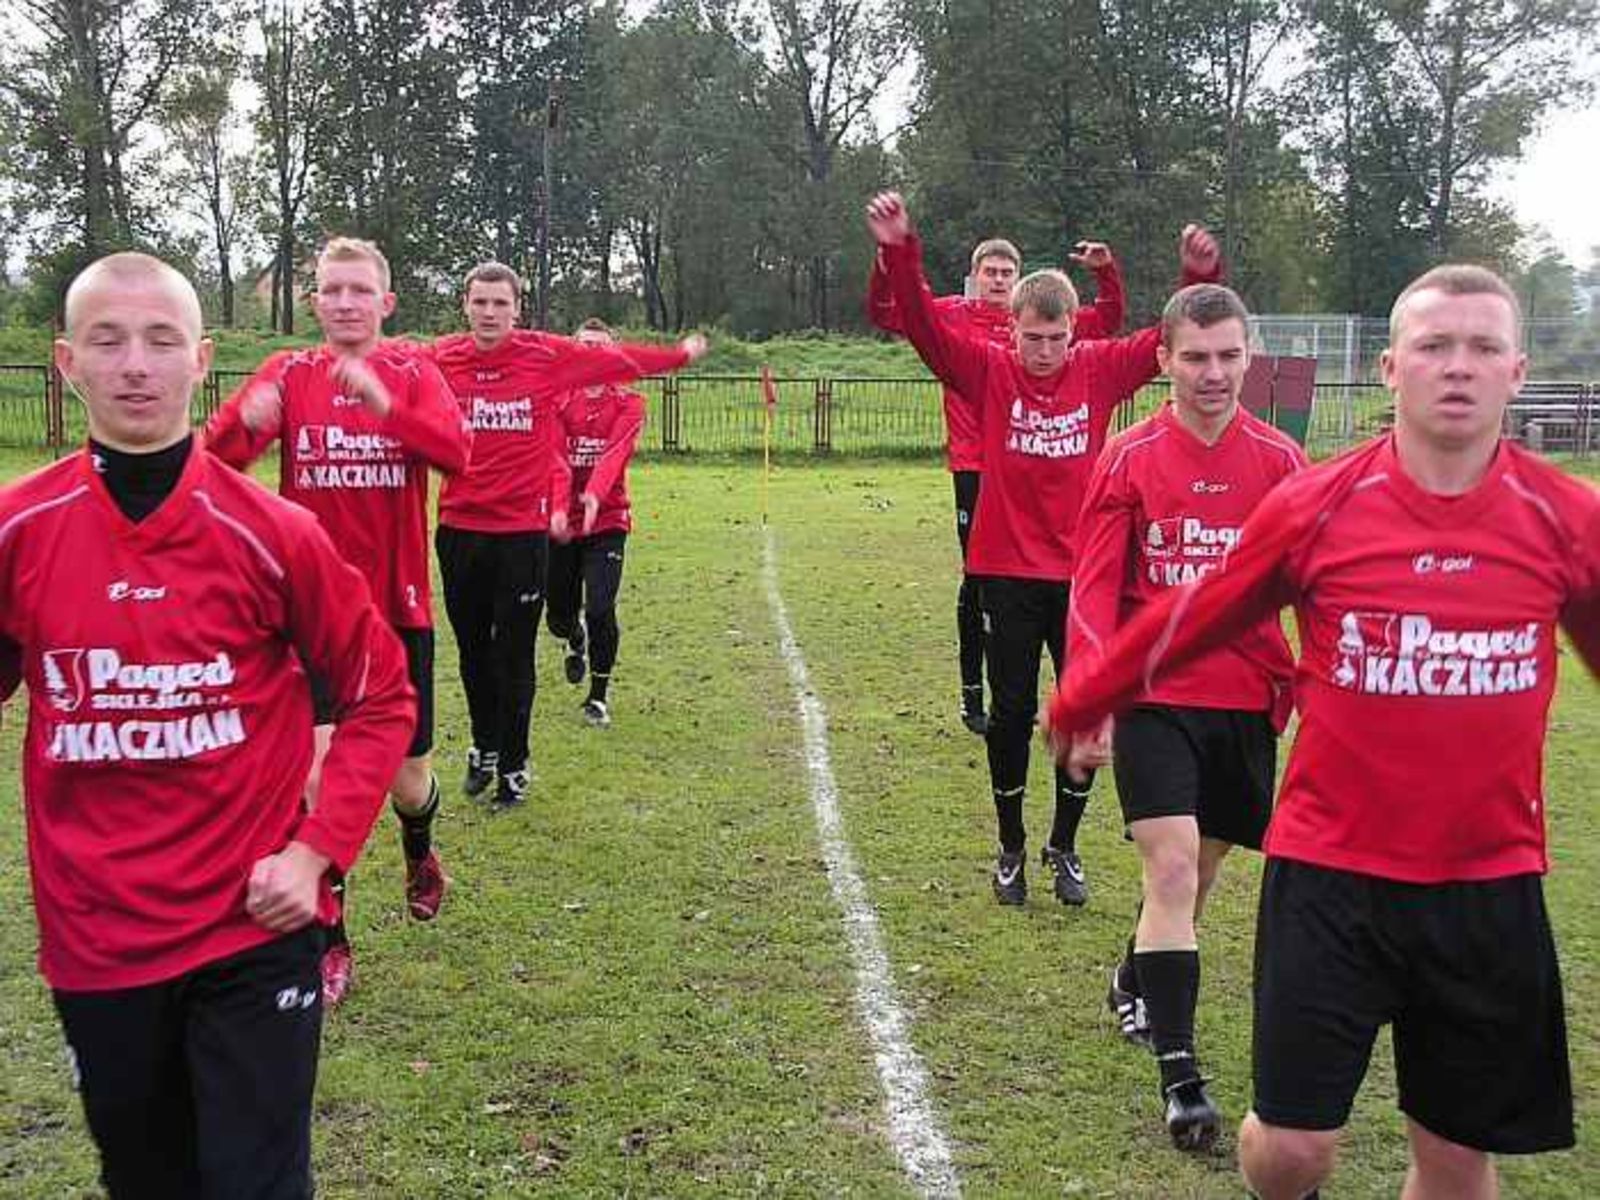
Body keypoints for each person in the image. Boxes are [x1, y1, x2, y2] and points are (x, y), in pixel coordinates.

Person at [1045, 264, 1600, 1199]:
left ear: (1516, 370)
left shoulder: (1569, 521)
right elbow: (1197, 614)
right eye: (1433, 346)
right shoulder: (1319, 506)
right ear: (1391, 368)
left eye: (1481, 347)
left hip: (1489, 883)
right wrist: (1084, 694)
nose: (1456, 367)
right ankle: (1189, 1066)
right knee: (1292, 1153)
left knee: (1460, 1157)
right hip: (1332, 878)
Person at [0, 252, 414, 1198]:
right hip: (97, 937)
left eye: (161, 340)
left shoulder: (272, 533)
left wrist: (314, 855)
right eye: (108, 341)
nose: (135, 364)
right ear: (67, 361)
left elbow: (379, 692)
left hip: (251, 926)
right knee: (148, 1178)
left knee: (256, 1182)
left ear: (203, 359)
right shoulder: (19, 529)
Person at [865, 189, 1219, 909]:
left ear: (1071, 335)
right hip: (1004, 572)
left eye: (1057, 340)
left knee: (1081, 712)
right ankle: (1010, 846)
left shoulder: (1096, 369)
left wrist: (1193, 276)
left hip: (1086, 575)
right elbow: (926, 328)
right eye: (1034, 339)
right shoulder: (989, 369)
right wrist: (901, 249)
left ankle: (1064, 845)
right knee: (1011, 712)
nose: (1047, 353)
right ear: (1013, 331)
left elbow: (1166, 340)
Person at [1067, 284, 1306, 1150]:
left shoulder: (1282, 463)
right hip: (1156, 696)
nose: (1214, 374)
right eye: (1196, 357)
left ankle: (1134, 972)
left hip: (1245, 704)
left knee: (1198, 880)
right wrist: (1092, 694)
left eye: (1229, 356)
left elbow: (1315, 586)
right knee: (1168, 873)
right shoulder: (1127, 458)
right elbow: (1093, 585)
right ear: (1163, 359)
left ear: (1249, 358)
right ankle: (1182, 1078)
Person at [205, 237, 471, 1006]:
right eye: (332, 290)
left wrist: (390, 411)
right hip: (309, 615)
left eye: (360, 290)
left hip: (395, 611)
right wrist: (239, 425)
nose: (346, 302)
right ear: (314, 301)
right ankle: (332, 939)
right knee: (318, 780)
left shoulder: (415, 372)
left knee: (404, 780)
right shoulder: (290, 374)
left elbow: (457, 453)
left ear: (386, 303)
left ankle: (419, 848)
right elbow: (214, 471)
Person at [430, 267, 705, 800]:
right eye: (480, 302)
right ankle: (483, 744)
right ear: (465, 305)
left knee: (514, 653)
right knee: (471, 652)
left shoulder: (543, 355)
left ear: (518, 307)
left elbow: (616, 362)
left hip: (522, 534)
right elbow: (383, 364)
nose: (489, 312)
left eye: (500, 303)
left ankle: (515, 762)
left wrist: (676, 356)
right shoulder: (443, 357)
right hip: (459, 528)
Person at [868, 234, 1126, 736]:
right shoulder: (951, 316)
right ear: (974, 275)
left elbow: (1105, 320)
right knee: (980, 582)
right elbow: (893, 315)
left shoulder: (1038, 324)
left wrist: (1105, 272)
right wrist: (888, 265)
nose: (998, 280)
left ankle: (1056, 693)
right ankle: (976, 694)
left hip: (1036, 464)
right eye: (990, 272)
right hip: (976, 464)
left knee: (1051, 580)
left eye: (1007, 273)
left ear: (1017, 281)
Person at [544, 318, 652, 727]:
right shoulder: (556, 401)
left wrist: (595, 495)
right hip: (561, 522)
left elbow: (615, 454)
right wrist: (559, 506)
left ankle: (598, 695)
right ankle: (574, 640)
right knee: (558, 616)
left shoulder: (629, 404)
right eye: (584, 344)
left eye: (599, 346)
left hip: (607, 519)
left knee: (601, 607)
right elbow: (554, 459)